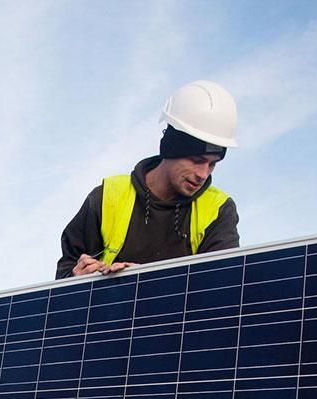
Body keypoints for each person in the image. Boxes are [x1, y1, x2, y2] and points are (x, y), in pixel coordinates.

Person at [56, 80, 240, 279]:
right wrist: (76, 278)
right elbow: (65, 274)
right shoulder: (107, 197)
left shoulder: (218, 209)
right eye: (197, 161)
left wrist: (145, 284)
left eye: (212, 164)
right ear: (171, 148)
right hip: (110, 310)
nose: (204, 174)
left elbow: (220, 286)